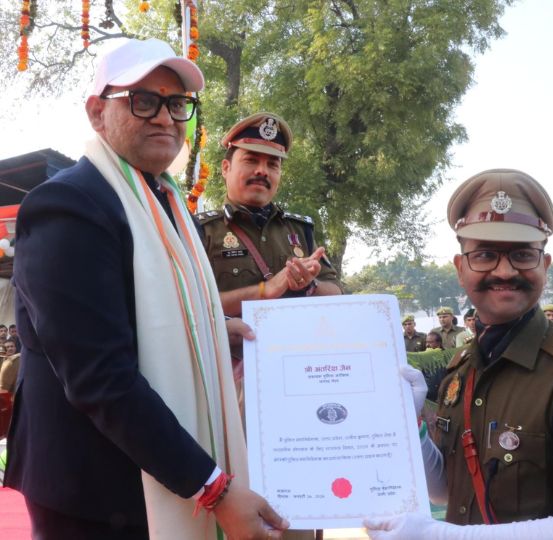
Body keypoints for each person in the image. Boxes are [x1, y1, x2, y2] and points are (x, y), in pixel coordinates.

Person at [4, 38, 288, 540]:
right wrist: (215, 491)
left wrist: (211, 330)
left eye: (177, 104)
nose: (164, 117)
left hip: (154, 473)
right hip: (93, 492)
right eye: (143, 100)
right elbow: (99, 376)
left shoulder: (166, 203)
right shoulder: (67, 205)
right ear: (97, 112)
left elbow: (144, 315)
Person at [365, 169, 553, 540]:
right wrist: (411, 424)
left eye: (522, 255)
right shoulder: (461, 371)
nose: (504, 271)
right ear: (460, 268)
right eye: (484, 255)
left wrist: (437, 537)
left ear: (544, 266)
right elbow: (450, 489)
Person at [199, 112, 342, 318]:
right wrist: (264, 291)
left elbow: (337, 293)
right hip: (232, 340)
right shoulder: (202, 231)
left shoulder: (300, 230)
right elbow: (189, 306)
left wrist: (310, 285)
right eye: (251, 160)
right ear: (225, 168)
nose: (262, 171)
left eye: (273, 164)